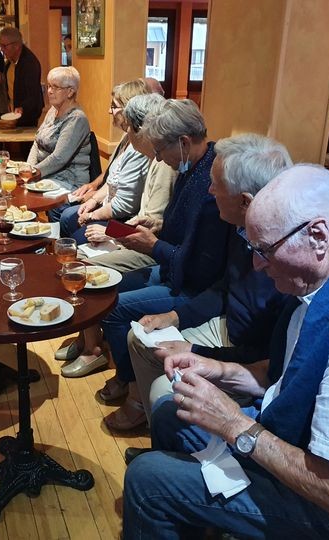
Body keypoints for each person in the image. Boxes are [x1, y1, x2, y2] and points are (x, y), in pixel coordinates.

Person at [123, 164, 329, 540]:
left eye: (264, 250)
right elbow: (288, 377)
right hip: (311, 457)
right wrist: (219, 371)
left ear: (318, 235)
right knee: (168, 414)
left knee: (148, 481)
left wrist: (233, 424)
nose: (257, 264)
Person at [119, 133, 291, 435]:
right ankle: (160, 429)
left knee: (165, 390)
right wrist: (174, 317)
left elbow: (266, 360)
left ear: (245, 201)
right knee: (140, 337)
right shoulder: (241, 227)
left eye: (217, 185)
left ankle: (179, 440)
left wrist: (195, 349)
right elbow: (225, 287)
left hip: (248, 359)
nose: (209, 191)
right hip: (229, 330)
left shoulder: (285, 262)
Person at [58, 100, 231, 386]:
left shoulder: (212, 183)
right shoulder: (192, 167)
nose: (159, 159)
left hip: (190, 287)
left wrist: (153, 246)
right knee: (96, 287)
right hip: (170, 269)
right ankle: (95, 349)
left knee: (112, 308)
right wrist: (158, 226)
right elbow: (183, 231)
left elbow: (203, 269)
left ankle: (129, 385)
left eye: (160, 150)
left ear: (184, 142)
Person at [80, 92, 176, 272]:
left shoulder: (164, 163)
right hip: (136, 239)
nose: (127, 132)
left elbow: (152, 228)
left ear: (141, 131)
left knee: (79, 266)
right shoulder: (153, 157)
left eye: (129, 127)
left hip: (149, 252)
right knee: (75, 255)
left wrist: (111, 233)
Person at [59, 79, 151, 241]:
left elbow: (125, 205)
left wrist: (92, 215)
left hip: (123, 219)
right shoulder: (126, 137)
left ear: (129, 110)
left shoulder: (140, 147)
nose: (109, 111)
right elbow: (111, 182)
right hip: (108, 206)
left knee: (76, 232)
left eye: (114, 106)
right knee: (67, 216)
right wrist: (94, 200)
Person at [27, 66, 91, 195]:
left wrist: (33, 173)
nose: (49, 91)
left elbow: (59, 158)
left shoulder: (76, 119)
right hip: (44, 176)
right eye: (49, 86)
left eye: (55, 87)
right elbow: (37, 142)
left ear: (70, 92)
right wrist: (28, 168)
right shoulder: (53, 111)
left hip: (68, 180)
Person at [0, 27, 44, 128]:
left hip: (27, 117)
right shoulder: (9, 62)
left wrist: (22, 108)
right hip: (13, 114)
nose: (2, 49)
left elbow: (33, 94)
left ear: (17, 46)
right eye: (0, 45)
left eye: (4, 46)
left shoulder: (29, 63)